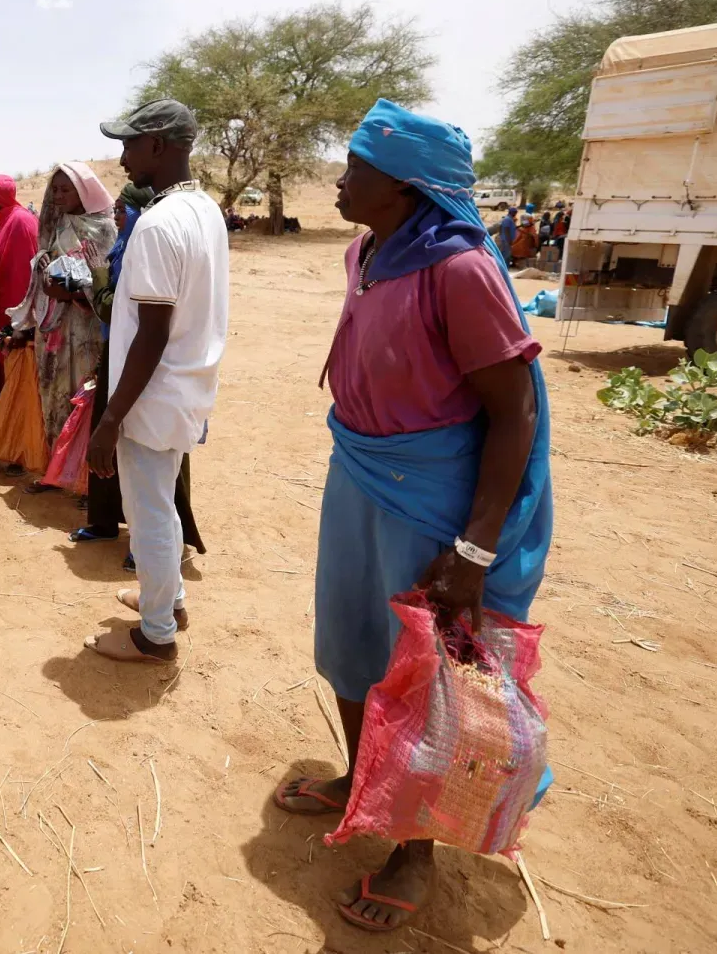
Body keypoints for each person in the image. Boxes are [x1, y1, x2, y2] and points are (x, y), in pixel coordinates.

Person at [271, 99, 552, 933]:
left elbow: (514, 412)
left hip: (430, 496)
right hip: (356, 473)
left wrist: (475, 548)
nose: (339, 180)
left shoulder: (459, 270)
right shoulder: (365, 251)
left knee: (423, 674)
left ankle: (414, 848)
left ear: (404, 186)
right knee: (350, 643)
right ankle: (362, 780)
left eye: (355, 169)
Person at [84, 99, 229, 664]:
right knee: (160, 504)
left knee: (147, 515)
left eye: (129, 144)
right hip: (183, 388)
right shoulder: (204, 210)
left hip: (150, 397)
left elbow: (151, 335)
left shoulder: (156, 224)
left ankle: (156, 634)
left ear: (159, 145)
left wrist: (110, 419)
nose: (123, 158)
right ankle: (169, 600)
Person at [71, 186, 206, 567]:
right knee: (110, 444)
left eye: (122, 210)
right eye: (114, 210)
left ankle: (151, 548)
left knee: (151, 455)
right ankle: (106, 522)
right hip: (116, 356)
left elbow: (114, 309)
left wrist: (98, 275)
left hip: (143, 362)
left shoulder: (147, 248)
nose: (115, 218)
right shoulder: (123, 248)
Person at [9, 163, 116, 493]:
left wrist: (74, 294)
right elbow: (49, 263)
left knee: (83, 399)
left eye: (65, 189)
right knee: (54, 398)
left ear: (83, 190)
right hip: (55, 331)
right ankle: (57, 473)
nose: (57, 195)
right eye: (54, 189)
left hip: (85, 332)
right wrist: (42, 260)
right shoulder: (57, 224)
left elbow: (109, 282)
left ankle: (87, 482)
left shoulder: (104, 229)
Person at [0, 174, 39, 409]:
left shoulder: (19, 221)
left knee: (15, 375)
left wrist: (21, 323)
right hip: (2, 311)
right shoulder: (6, 220)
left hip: (16, 316)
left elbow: (24, 275)